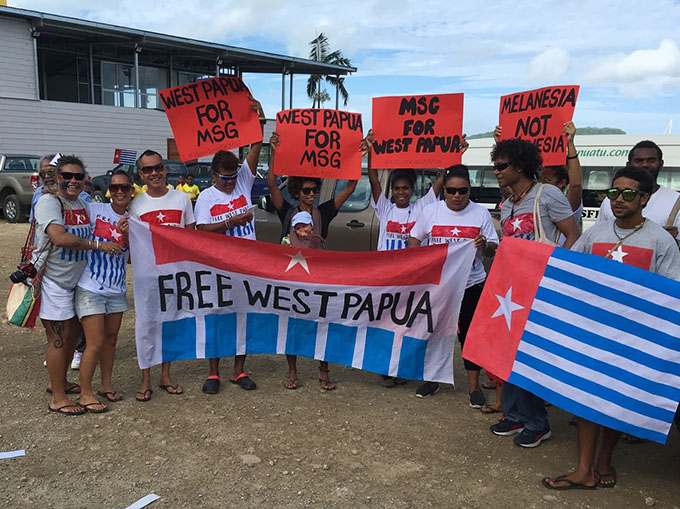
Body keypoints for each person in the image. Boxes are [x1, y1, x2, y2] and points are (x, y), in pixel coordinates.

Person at [543, 166, 680, 490]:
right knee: (588, 397)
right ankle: (584, 469)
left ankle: (605, 458)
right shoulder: (595, 233)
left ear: (645, 198)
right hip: (595, 335)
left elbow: (672, 295)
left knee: (619, 400)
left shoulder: (661, 240)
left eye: (628, 194)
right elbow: (571, 273)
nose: (619, 200)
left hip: (635, 340)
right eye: (613, 193)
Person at [490, 138, 579, 447]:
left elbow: (572, 235)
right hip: (514, 291)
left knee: (529, 355)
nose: (497, 171)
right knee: (510, 353)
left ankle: (538, 422)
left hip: (541, 288)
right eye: (495, 165)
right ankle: (514, 415)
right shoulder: (508, 203)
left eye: (501, 166)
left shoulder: (547, 194)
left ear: (520, 165)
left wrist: (555, 273)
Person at [366, 129, 467, 387]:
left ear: (412, 190)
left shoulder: (420, 208)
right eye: (397, 188)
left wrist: (454, 156)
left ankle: (403, 367)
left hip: (411, 278)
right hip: (385, 277)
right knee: (384, 320)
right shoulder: (384, 208)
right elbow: (375, 181)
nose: (400, 192)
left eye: (405, 188)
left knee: (407, 323)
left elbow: (439, 183)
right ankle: (385, 366)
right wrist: (372, 153)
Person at [268, 131, 362, 390]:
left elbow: (351, 187)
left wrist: (359, 156)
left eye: (314, 190)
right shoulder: (287, 212)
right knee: (292, 323)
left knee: (323, 322)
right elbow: (273, 186)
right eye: (306, 190)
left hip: (319, 276)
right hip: (292, 277)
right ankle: (292, 372)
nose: (311, 194)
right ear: (297, 192)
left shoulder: (325, 212)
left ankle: (323, 371)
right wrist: (274, 152)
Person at [33, 155, 123, 415]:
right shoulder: (49, 203)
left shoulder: (83, 203)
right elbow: (59, 238)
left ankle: (58, 383)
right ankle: (58, 397)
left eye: (78, 177)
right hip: (54, 281)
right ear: (57, 178)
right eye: (67, 176)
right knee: (59, 340)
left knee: (72, 336)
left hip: (76, 282)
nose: (73, 181)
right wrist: (97, 245)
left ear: (85, 180)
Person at [408, 165, 498, 406]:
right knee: (435, 330)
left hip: (471, 284)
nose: (457, 196)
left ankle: (473, 387)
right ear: (444, 192)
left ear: (469, 190)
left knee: (469, 334)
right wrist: (420, 262)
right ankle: (433, 379)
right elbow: (414, 238)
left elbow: (492, 250)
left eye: (463, 191)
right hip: (440, 286)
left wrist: (483, 245)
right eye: (451, 191)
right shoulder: (431, 212)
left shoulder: (480, 214)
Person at [194, 95, 265, 395]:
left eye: (234, 176)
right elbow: (200, 230)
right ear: (213, 175)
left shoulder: (244, 182)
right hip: (218, 268)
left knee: (242, 318)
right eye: (225, 178)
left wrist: (257, 118)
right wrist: (229, 224)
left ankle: (239, 370)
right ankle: (214, 374)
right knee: (217, 319)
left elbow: (256, 146)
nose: (231, 182)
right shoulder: (207, 197)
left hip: (247, 265)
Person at [128, 150, 196, 402]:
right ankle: (145, 379)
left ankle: (165, 375)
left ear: (165, 169)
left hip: (176, 275)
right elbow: (131, 245)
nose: (154, 173)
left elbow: (191, 237)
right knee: (147, 326)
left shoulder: (182, 200)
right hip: (147, 277)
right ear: (141, 174)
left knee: (170, 324)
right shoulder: (136, 204)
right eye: (147, 170)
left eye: (158, 167)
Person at [74, 170, 134, 410]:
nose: (119, 191)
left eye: (125, 187)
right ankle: (85, 393)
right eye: (115, 187)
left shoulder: (135, 218)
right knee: (95, 343)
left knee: (111, 340)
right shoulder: (94, 210)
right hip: (91, 287)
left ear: (132, 191)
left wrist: (128, 233)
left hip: (117, 288)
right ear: (109, 190)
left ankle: (106, 385)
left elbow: (133, 256)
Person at [596, 140, 680, 242]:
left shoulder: (676, 201)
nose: (645, 165)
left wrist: (670, 241)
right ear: (628, 164)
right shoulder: (610, 200)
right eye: (638, 161)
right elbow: (598, 237)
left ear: (661, 164)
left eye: (651, 160)